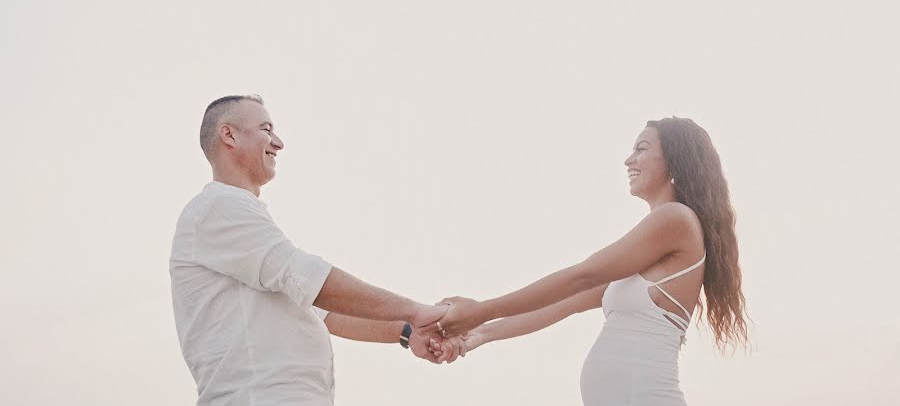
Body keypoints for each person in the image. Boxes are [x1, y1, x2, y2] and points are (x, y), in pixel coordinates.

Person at [432, 117, 749, 405]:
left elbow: (581, 276)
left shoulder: (675, 219)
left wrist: (478, 311)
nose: (628, 159)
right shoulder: (652, 249)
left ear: (675, 159)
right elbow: (563, 303)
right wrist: (478, 334)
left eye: (641, 148)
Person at [170, 95, 453, 406]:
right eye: (266, 129)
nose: (278, 143)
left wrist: (408, 331)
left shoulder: (239, 221)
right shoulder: (219, 207)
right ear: (229, 135)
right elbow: (309, 280)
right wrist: (416, 310)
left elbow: (325, 313)